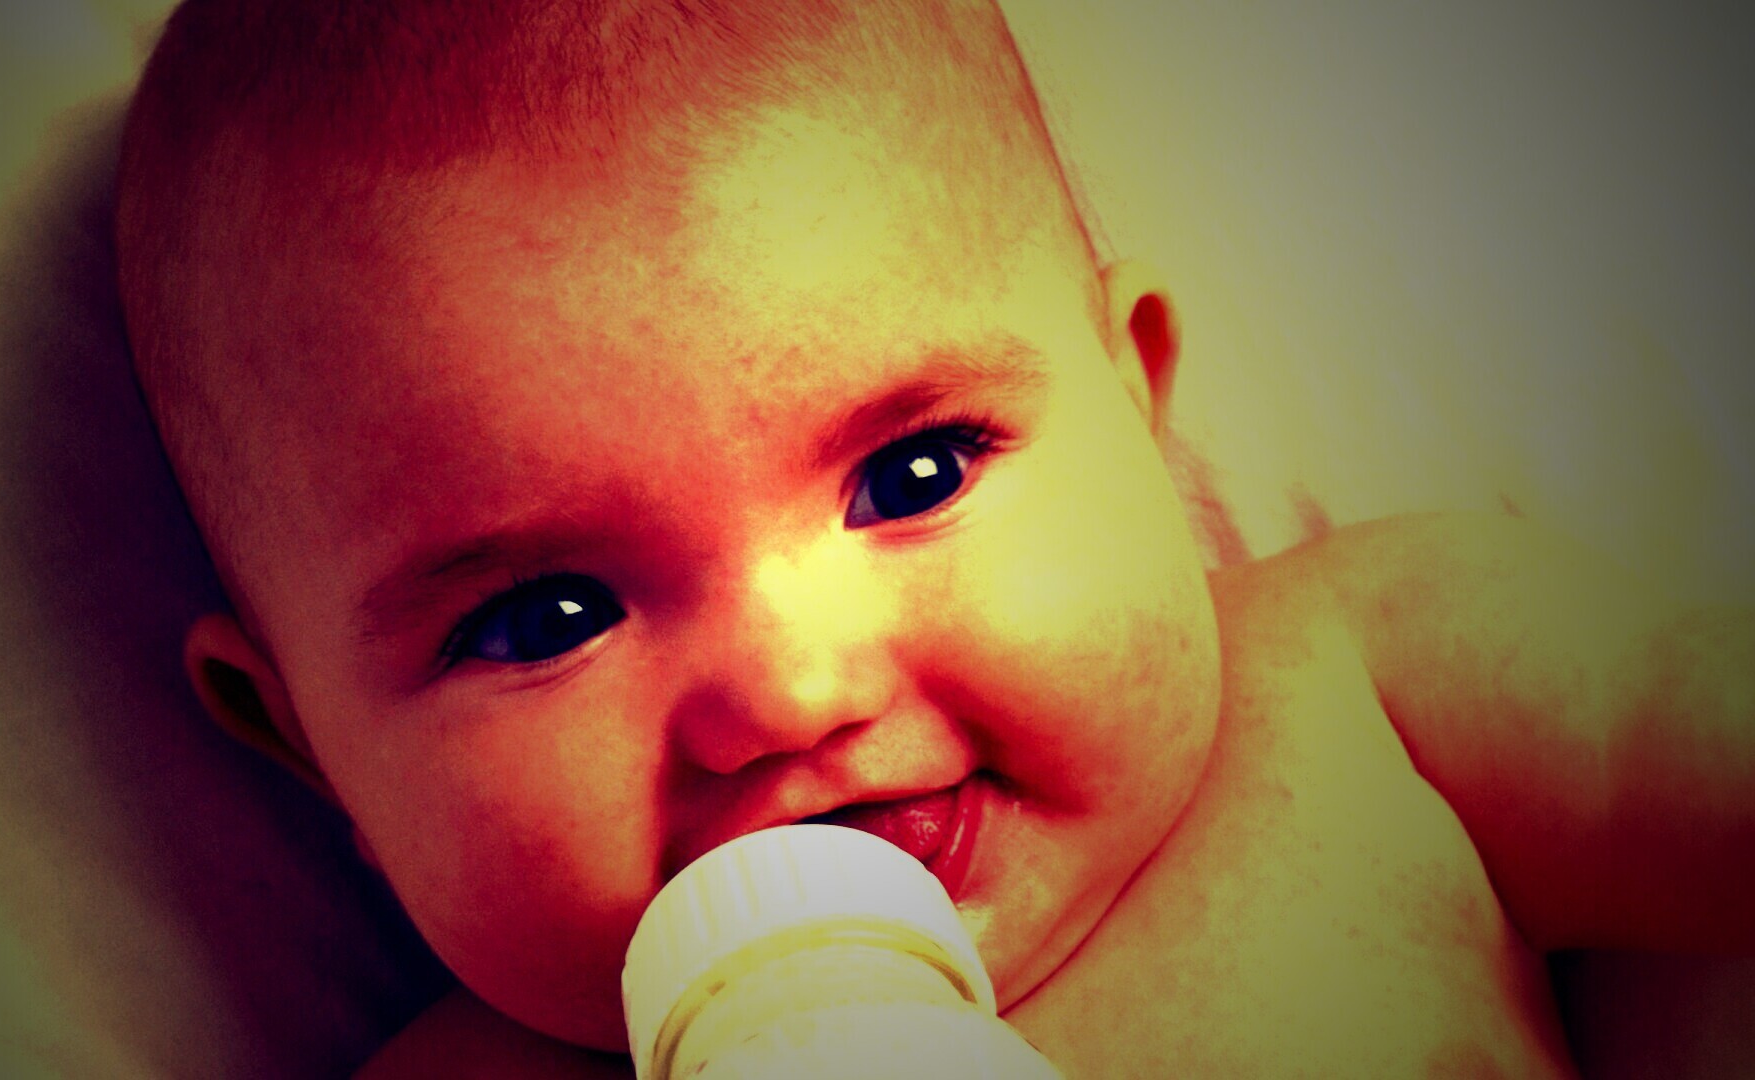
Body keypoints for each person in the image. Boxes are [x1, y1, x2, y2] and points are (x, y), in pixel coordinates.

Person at [112, 0, 1753, 1074]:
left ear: (1136, 402)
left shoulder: (1370, 690)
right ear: (309, 745)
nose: (790, 695)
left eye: (911, 476)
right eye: (547, 617)